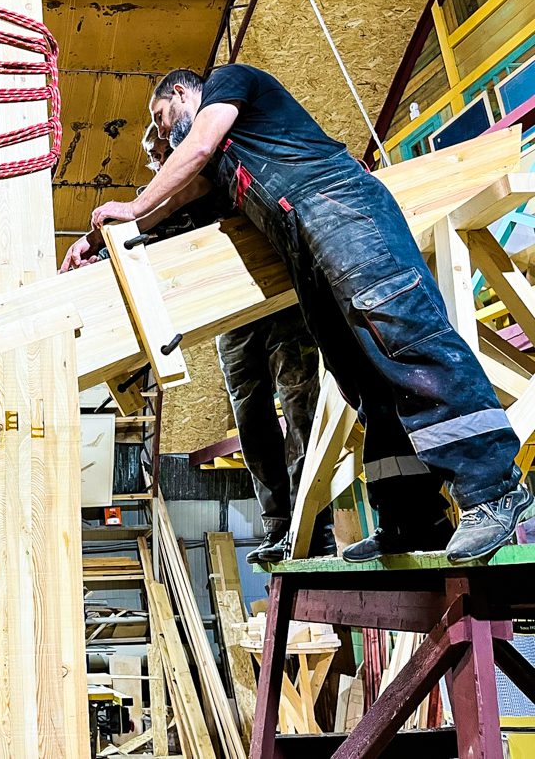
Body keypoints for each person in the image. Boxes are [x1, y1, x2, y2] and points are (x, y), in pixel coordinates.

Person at [64, 64, 529, 564]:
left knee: (406, 338)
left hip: (341, 207)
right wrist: (98, 243)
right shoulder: (219, 163)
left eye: (160, 116)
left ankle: (493, 489)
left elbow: (194, 150)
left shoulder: (227, 83)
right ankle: (412, 520)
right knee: (365, 379)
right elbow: (180, 196)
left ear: (181, 91)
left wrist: (132, 207)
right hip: (300, 244)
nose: (161, 132)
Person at [138, 125, 329, 564]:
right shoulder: (167, 201)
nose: (158, 161)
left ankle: (312, 525)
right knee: (250, 416)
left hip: (282, 299)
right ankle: (278, 523)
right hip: (234, 316)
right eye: (154, 157)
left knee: (299, 405)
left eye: (162, 150)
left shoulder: (218, 166)